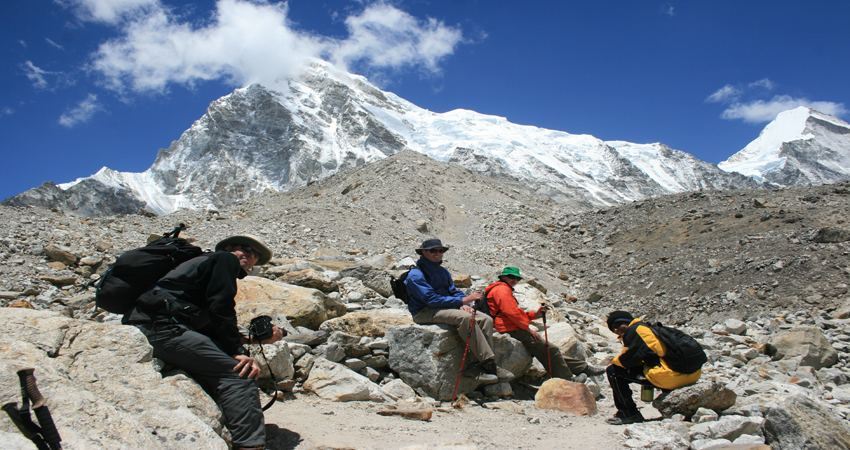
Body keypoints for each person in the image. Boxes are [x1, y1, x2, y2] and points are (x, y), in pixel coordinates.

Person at [124, 235, 284, 450]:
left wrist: (250, 340)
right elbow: (221, 305)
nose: (250, 255)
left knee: (228, 358)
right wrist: (236, 351)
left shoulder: (204, 262)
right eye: (245, 248)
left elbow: (205, 318)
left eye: (256, 254)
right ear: (228, 248)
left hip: (152, 323)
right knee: (240, 373)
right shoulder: (225, 260)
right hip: (161, 328)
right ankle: (250, 446)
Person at [404, 238, 513, 384]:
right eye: (433, 251)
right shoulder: (416, 274)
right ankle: (489, 364)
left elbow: (453, 291)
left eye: (440, 250)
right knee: (465, 318)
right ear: (423, 252)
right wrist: (462, 301)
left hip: (443, 307)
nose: (438, 254)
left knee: (486, 319)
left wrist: (463, 302)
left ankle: (478, 365)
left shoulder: (442, 271)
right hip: (424, 311)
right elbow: (430, 299)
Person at [485, 267, 606, 381]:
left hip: (509, 326)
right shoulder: (502, 289)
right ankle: (569, 379)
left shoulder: (501, 288)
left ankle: (583, 368)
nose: (515, 280)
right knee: (550, 349)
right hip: (510, 328)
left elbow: (513, 313)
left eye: (518, 278)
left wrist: (535, 314)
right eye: (512, 277)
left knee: (548, 351)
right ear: (503, 277)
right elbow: (510, 312)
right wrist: (528, 329)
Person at [604, 311, 702, 425]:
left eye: (617, 325)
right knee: (657, 365)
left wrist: (613, 360)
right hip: (692, 374)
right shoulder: (647, 328)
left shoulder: (634, 331)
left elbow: (627, 361)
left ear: (626, 321)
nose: (616, 330)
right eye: (613, 329)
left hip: (672, 377)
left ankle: (628, 413)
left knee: (613, 371)